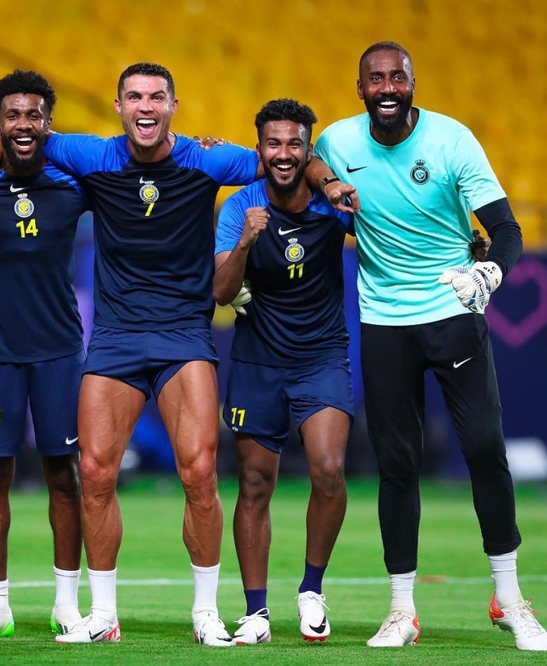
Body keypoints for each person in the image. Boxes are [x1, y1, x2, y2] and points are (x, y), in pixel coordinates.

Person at [0, 62, 356, 646]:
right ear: (118, 105)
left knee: (198, 474)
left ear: (173, 104)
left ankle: (206, 612)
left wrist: (329, 181)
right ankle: (104, 614)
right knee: (93, 472)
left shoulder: (205, 159)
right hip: (114, 337)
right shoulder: (93, 155)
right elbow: (20, 134)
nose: (146, 106)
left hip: (184, 335)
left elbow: (284, 158)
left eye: (157, 97)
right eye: (135, 96)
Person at [313, 41, 547, 651]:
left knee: (482, 449)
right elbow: (308, 165)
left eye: (398, 77)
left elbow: (505, 230)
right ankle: (401, 612)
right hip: (385, 322)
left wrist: (489, 274)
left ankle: (510, 599)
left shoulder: (451, 141)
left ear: (412, 83)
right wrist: (325, 180)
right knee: (396, 464)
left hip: (453, 310)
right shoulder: (338, 142)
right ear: (359, 87)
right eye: (376, 78)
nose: (387, 87)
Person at [0, 58, 84, 640]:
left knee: (64, 477)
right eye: (11, 115)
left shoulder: (74, 181)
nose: (24, 124)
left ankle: (67, 604)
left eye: (34, 114)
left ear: (49, 123)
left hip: (57, 351)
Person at [213, 99, 353, 645]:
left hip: (321, 357)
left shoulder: (332, 203)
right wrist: (247, 239)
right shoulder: (239, 207)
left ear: (308, 150)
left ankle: (312, 588)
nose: (284, 154)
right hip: (257, 360)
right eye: (273, 144)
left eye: (294, 144)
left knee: (328, 470)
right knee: (253, 484)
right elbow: (222, 294)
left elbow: (384, 236)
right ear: (259, 150)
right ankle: (256, 612)